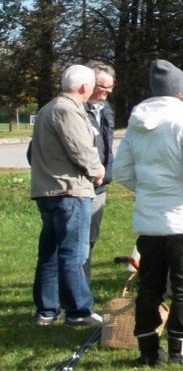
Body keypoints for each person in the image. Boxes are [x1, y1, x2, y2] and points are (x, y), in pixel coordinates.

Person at [114, 59, 183, 362]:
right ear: (180, 92)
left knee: (150, 285)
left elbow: (121, 171)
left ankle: (148, 350)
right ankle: (179, 349)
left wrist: (149, 189)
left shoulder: (136, 125)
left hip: (150, 217)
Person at [29, 64, 105, 327]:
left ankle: (47, 310)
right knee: (72, 252)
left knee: (50, 252)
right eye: (93, 86)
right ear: (84, 87)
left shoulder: (47, 108)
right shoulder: (67, 110)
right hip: (69, 190)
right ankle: (78, 311)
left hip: (48, 190)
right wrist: (97, 170)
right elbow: (80, 148)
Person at [82, 63, 115, 285]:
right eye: (104, 86)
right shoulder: (75, 110)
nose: (108, 91)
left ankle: (82, 288)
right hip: (79, 186)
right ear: (90, 84)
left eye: (111, 87)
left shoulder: (105, 109)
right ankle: (74, 295)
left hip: (100, 186)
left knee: (90, 240)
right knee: (77, 242)